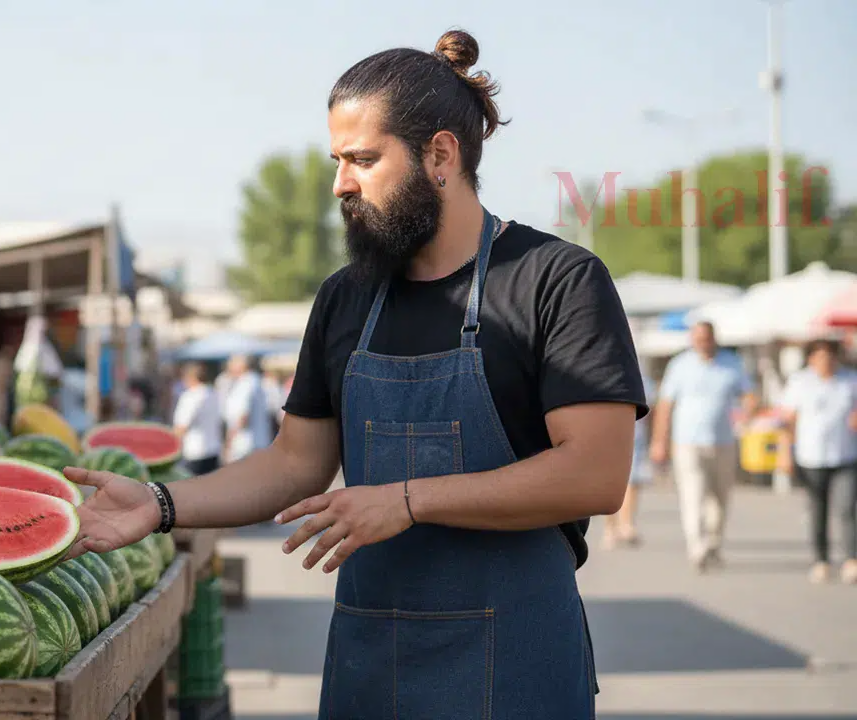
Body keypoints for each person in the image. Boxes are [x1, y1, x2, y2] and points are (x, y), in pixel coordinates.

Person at [62, 30, 644, 719]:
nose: (341, 183)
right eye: (338, 160)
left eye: (364, 160)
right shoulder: (347, 298)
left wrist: (405, 499)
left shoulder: (557, 280)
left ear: (439, 156)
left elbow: (596, 474)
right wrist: (161, 504)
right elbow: (295, 463)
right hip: (373, 664)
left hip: (518, 663)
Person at [650, 321, 758, 573]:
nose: (702, 343)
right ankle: (696, 547)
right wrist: (659, 441)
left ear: (714, 339)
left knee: (719, 500)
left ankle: (713, 543)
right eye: (697, 338)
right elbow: (665, 406)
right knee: (693, 495)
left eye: (706, 338)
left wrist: (749, 410)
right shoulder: (680, 365)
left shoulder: (731, 363)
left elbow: (748, 395)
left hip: (723, 442)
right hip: (687, 442)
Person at [778, 339, 857, 584]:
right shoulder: (800, 382)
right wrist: (784, 452)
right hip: (811, 456)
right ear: (811, 359)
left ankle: (851, 559)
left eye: (830, 356)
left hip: (845, 455)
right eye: (820, 356)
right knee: (817, 510)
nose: (826, 361)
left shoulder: (850, 380)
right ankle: (821, 559)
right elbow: (787, 420)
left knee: (845, 509)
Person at [603, 371, 656, 549]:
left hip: (636, 438)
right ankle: (610, 528)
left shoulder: (644, 380)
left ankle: (626, 523)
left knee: (633, 481)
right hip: (608, 437)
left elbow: (652, 411)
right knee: (610, 483)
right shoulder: (603, 375)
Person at [171, 363, 224, 476]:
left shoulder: (189, 396)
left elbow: (181, 427)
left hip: (194, 453)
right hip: (214, 451)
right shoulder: (214, 393)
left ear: (190, 378)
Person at [221, 354, 271, 462]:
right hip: (256, 444)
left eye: (231, 363)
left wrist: (228, 442)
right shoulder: (255, 380)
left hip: (244, 447)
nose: (228, 367)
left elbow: (243, 417)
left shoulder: (245, 383)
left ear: (241, 366)